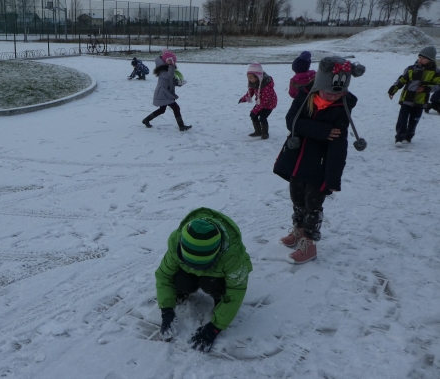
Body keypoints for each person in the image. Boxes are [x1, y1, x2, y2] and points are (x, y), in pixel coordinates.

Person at [273, 56, 366, 264]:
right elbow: (292, 121)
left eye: (339, 93)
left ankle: (309, 244)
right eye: (328, 92)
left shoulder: (342, 108)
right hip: (296, 159)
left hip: (320, 166)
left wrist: (333, 179)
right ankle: (298, 231)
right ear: (318, 85)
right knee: (297, 200)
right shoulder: (305, 95)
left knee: (312, 206)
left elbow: (339, 145)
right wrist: (323, 131)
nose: (332, 97)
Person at [155, 207, 253, 352]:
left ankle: (219, 297)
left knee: (214, 285)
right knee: (181, 280)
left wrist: (215, 327)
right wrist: (166, 310)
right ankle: (183, 290)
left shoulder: (233, 257)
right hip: (194, 272)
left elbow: (236, 292)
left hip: (215, 278)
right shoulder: (177, 242)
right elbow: (164, 275)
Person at [388, 46, 440, 145]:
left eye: (423, 58)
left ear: (430, 60)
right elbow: (402, 80)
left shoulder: (435, 72)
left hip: (421, 101)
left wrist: (426, 88)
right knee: (402, 119)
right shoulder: (411, 69)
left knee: (414, 120)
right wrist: (393, 90)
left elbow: (438, 85)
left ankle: (408, 136)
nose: (420, 60)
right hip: (407, 98)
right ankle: (399, 137)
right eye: (419, 57)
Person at [141, 50, 191, 131]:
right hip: (163, 93)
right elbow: (169, 76)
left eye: (174, 62)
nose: (174, 63)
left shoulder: (167, 69)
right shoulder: (163, 71)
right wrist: (171, 66)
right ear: (166, 61)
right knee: (176, 108)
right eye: (172, 61)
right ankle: (181, 126)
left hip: (165, 93)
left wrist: (179, 83)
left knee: (162, 110)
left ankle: (146, 120)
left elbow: (171, 81)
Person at [239, 62, 277, 140]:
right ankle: (258, 131)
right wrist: (244, 98)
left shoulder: (266, 86)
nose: (249, 79)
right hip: (260, 102)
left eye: (250, 78)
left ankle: (265, 134)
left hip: (269, 104)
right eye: (248, 77)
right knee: (253, 115)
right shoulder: (254, 83)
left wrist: (256, 110)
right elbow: (250, 93)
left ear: (257, 77)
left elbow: (264, 101)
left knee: (262, 117)